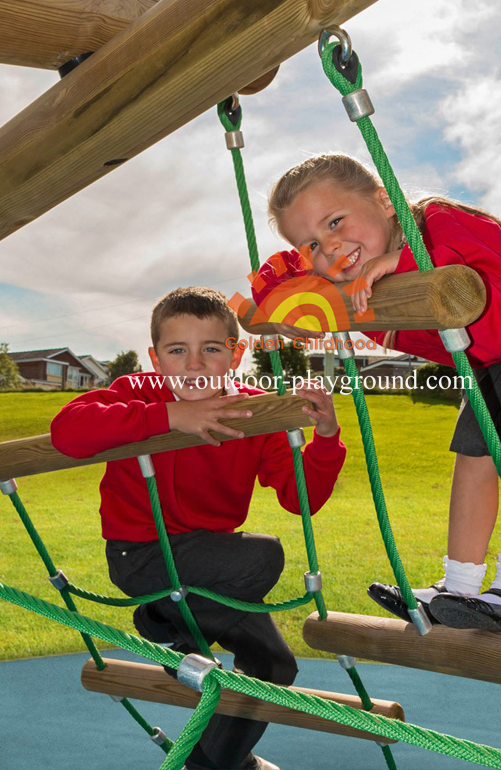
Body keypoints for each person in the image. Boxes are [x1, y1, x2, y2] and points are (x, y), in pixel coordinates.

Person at [250, 153, 501, 637]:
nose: (330, 246)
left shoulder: (440, 225)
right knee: (475, 447)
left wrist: (412, 261)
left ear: (384, 201)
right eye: (312, 243)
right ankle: (459, 586)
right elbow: (280, 285)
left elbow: (500, 329)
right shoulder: (372, 295)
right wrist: (277, 300)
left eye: (335, 221)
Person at [51, 286, 345, 770]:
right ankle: (163, 617)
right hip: (143, 557)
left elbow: (301, 498)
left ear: (236, 352)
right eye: (177, 350)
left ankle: (214, 763)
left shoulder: (255, 411)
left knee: (275, 664)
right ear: (155, 358)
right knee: (263, 555)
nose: (193, 364)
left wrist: (326, 440)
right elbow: (67, 431)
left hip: (208, 565)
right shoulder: (139, 393)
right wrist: (172, 415)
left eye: (210, 349)